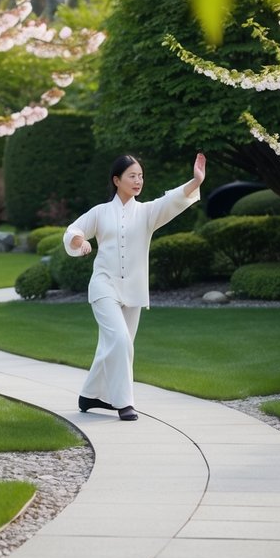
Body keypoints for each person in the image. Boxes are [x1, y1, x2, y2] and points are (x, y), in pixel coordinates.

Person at [63, 152, 207, 421]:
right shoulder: (100, 212)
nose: (138, 180)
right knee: (119, 341)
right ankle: (124, 403)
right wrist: (79, 242)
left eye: (140, 176)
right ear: (116, 180)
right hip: (103, 286)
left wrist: (196, 181)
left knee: (115, 345)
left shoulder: (147, 212)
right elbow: (73, 230)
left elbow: (173, 200)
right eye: (132, 176)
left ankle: (90, 395)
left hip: (134, 291)